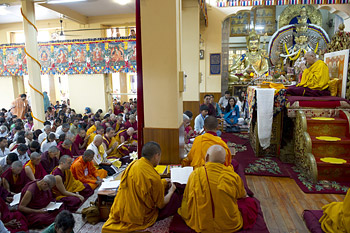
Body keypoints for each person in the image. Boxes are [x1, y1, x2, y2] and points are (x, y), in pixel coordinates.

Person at [102, 142, 176, 233]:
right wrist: (171, 191)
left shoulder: (133, 164)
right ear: (156, 156)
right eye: (160, 156)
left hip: (120, 211)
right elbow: (161, 204)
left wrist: (163, 182)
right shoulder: (153, 176)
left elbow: (143, 184)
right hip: (138, 216)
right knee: (175, 198)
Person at [178, 145, 247, 232]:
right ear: (224, 161)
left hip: (201, 223)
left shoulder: (195, 174)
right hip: (228, 225)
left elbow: (187, 197)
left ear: (206, 157)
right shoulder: (232, 176)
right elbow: (242, 195)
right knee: (249, 204)